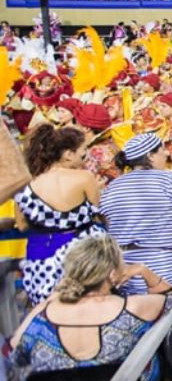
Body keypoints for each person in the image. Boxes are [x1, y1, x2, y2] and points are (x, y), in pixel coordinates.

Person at [12, 235, 172, 381]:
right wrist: (142, 270)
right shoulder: (132, 307)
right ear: (111, 274)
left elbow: (16, 350)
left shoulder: (43, 312)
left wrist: (53, 296)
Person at [99, 134, 172, 293]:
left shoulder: (111, 188)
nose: (167, 154)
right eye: (162, 150)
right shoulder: (167, 179)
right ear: (150, 156)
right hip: (164, 270)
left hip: (124, 273)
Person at [13, 124, 106, 305]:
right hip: (83, 256)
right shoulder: (84, 178)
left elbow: (22, 225)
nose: (84, 157)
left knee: (51, 312)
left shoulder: (26, 185)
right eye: (83, 151)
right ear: (68, 154)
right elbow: (97, 213)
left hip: (42, 261)